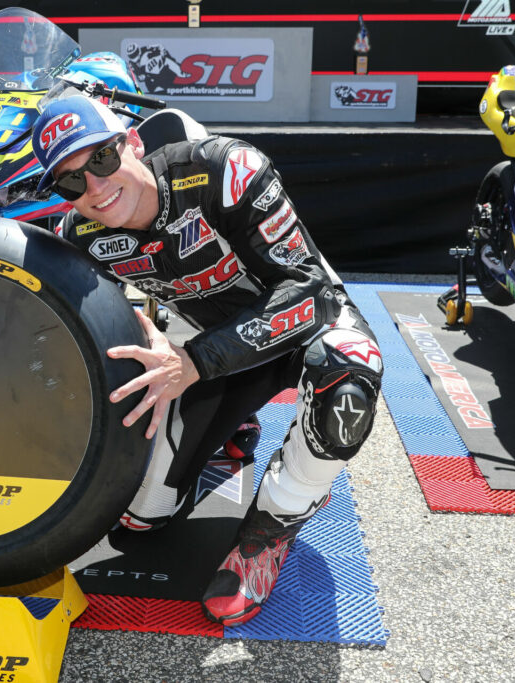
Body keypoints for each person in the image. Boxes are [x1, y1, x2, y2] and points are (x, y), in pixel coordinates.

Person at [30, 96, 383, 626]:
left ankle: (272, 526)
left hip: (305, 325)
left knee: (347, 393)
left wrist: (194, 361)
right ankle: (231, 427)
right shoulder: (80, 237)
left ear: (131, 144)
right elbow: (48, 329)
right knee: (140, 520)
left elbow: (310, 293)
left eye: (101, 160)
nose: (95, 189)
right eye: (71, 182)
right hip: (211, 356)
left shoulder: (226, 170)